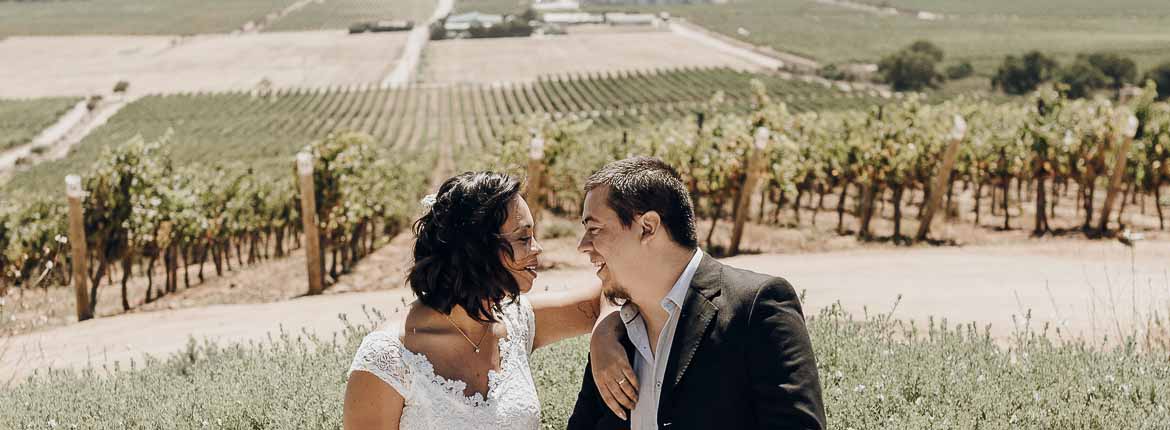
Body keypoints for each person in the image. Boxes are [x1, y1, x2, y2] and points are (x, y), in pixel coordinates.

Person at [343, 171, 634, 429]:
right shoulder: (387, 357)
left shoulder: (515, 321)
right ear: (477, 248)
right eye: (523, 238)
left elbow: (613, 289)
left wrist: (603, 337)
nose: (538, 249)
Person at [568, 156, 827, 429]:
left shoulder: (757, 306)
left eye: (594, 229)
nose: (583, 245)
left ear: (647, 227)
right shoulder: (616, 340)